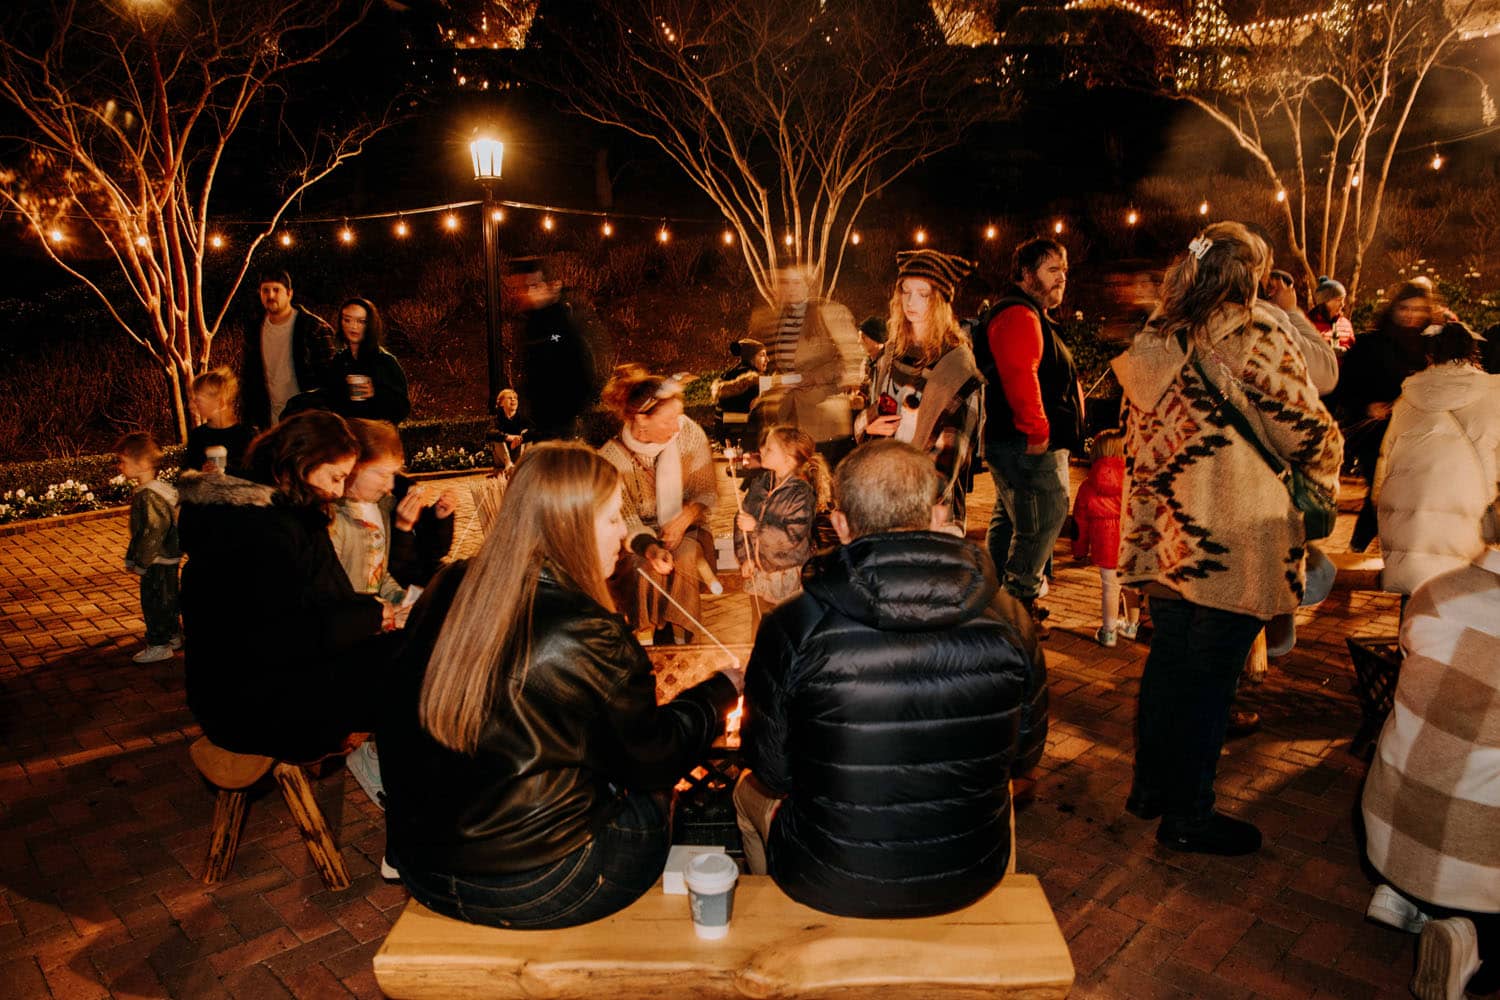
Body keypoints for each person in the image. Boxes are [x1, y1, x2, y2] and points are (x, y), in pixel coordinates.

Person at [377, 443, 742, 929]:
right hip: (542, 883)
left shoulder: (450, 583)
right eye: (613, 519)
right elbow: (653, 758)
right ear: (569, 524)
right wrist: (720, 691)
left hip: (425, 867)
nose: (623, 534)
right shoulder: (586, 628)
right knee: (655, 796)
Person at [734, 439, 1048, 918]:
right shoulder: (1011, 618)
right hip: (970, 871)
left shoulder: (791, 625)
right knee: (1000, 795)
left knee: (744, 794)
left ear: (840, 526)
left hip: (828, 876)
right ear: (939, 516)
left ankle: (776, 917)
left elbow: (772, 773)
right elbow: (1024, 755)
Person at [1112, 221, 1343, 856]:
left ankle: (1152, 790)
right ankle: (1189, 816)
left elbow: (1137, 442)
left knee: (1169, 668)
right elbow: (1307, 428)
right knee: (1211, 681)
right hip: (1231, 539)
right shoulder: (1253, 333)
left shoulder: (1153, 340)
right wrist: (1323, 477)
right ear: (1249, 277)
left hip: (1167, 538)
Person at [178, 411, 391, 762]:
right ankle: (400, 790)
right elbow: (290, 634)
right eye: (336, 477)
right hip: (264, 711)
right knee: (415, 674)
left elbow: (307, 607)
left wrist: (372, 612)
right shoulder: (269, 526)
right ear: (303, 461)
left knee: (405, 659)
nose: (338, 492)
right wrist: (372, 617)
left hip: (228, 703)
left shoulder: (250, 511)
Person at [1361, 547, 1500, 1000]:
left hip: (1387, 814)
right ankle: (1472, 942)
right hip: (1469, 853)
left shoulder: (1437, 591)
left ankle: (1409, 896)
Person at [977, 238, 1086, 635]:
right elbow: (1020, 375)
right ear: (1025, 273)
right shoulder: (1020, 315)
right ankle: (1017, 601)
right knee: (1046, 516)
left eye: (1064, 270)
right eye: (1052, 269)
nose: (1062, 278)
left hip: (1014, 440)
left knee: (1011, 519)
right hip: (1026, 441)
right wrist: (1038, 431)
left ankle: (998, 600)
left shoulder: (1028, 313)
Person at [856, 249, 985, 531]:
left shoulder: (958, 368)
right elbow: (871, 414)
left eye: (922, 294)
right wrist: (869, 425)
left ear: (940, 300)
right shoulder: (891, 353)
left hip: (931, 516)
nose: (910, 301)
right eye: (905, 291)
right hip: (881, 500)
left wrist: (902, 503)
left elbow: (948, 464)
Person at [1372, 321, 1500, 597]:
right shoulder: (1494, 393)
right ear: (1473, 353)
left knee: (1417, 586)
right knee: (1457, 595)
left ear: (1430, 355)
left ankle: (1410, 634)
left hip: (1406, 518)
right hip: (1467, 512)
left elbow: (1386, 459)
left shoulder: (1407, 398)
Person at [598, 365, 718, 645]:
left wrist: (686, 515)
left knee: (685, 554)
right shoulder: (611, 458)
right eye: (667, 420)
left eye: (679, 416)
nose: (677, 426)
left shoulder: (688, 433)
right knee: (643, 566)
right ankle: (642, 637)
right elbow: (625, 519)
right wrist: (650, 548)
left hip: (689, 528)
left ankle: (679, 638)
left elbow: (706, 492)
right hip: (637, 539)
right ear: (641, 421)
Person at [1339, 279, 1438, 551]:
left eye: (1418, 309)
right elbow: (1345, 387)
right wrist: (1367, 406)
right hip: (1377, 435)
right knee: (1382, 494)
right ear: (1394, 308)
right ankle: (1358, 548)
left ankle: (1401, 557)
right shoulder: (1371, 344)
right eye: (1405, 308)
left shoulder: (1432, 345)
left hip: (1418, 434)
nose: (1411, 315)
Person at [748, 264, 864, 465]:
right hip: (790, 420)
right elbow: (786, 366)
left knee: (823, 483)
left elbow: (852, 360)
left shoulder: (830, 312)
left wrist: (810, 378)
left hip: (824, 420)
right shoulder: (781, 318)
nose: (790, 288)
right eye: (785, 282)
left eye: (796, 282)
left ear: (808, 285)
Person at [734, 425, 830, 632]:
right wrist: (745, 557)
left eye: (769, 450)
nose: (762, 451)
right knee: (759, 626)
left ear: (787, 459)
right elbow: (741, 521)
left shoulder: (801, 493)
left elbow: (791, 537)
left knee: (786, 628)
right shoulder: (761, 483)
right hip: (759, 574)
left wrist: (756, 528)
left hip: (787, 577)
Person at [506, 257, 599, 441]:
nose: (526, 292)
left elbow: (571, 347)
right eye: (521, 287)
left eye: (533, 285)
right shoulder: (532, 320)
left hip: (559, 420)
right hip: (546, 420)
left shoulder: (559, 320)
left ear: (550, 285)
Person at [238, 269, 336, 428]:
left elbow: (330, 380)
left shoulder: (313, 327)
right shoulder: (255, 329)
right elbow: (249, 378)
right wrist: (249, 420)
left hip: (307, 420)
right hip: (269, 421)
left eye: (276, 290)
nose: (270, 296)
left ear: (289, 293)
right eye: (265, 290)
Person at [1071, 429, 1140, 647]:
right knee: (1131, 587)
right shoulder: (1134, 480)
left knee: (1110, 588)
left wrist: (1080, 550)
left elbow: (1079, 522)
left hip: (1105, 545)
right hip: (1131, 544)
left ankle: (1109, 632)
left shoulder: (1088, 485)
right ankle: (1131, 626)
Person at [116, 432, 181, 664]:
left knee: (154, 602)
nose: (120, 465)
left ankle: (158, 644)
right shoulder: (161, 490)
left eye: (123, 460)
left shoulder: (148, 496)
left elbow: (153, 530)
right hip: (168, 557)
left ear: (142, 464)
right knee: (169, 598)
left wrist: (141, 560)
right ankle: (172, 635)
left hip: (157, 560)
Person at [321, 298, 411, 425]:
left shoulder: (384, 361)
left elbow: (402, 408)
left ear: (370, 325)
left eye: (361, 321)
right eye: (347, 320)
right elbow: (331, 401)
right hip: (347, 436)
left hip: (376, 437)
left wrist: (376, 393)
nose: (353, 326)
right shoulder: (340, 360)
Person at [180, 368, 257, 478]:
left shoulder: (247, 436)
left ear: (220, 402)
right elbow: (187, 475)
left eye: (197, 400)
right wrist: (200, 474)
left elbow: (258, 477)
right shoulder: (198, 436)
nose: (191, 406)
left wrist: (226, 471)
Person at [710, 338, 767, 451]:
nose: (767, 360)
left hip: (724, 436)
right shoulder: (756, 382)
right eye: (762, 355)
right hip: (749, 439)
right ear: (751, 358)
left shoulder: (727, 376)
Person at [485, 388, 532, 470]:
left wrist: (521, 438)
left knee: (527, 432)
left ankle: (523, 463)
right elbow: (489, 433)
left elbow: (535, 431)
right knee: (497, 436)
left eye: (515, 398)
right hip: (503, 458)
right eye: (510, 398)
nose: (513, 399)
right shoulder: (497, 419)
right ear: (501, 403)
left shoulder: (523, 418)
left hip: (520, 455)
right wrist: (508, 437)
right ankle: (509, 465)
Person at [1307, 277, 1356, 351]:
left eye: (1343, 300)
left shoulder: (1346, 324)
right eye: (1338, 300)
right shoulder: (1307, 324)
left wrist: (1345, 351)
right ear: (1324, 302)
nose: (1342, 304)